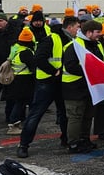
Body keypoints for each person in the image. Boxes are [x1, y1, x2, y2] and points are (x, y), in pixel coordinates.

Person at [16, 15, 78, 158]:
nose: (78, 30)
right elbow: (38, 58)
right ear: (69, 27)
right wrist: (53, 71)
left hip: (61, 82)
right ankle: (23, 145)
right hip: (47, 82)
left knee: (64, 113)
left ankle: (66, 139)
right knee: (36, 114)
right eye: (77, 27)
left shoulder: (71, 40)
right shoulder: (51, 39)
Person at [60, 19, 104, 153]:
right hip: (74, 88)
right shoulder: (73, 46)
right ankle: (73, 144)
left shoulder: (95, 44)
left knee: (87, 116)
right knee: (75, 117)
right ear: (89, 32)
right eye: (97, 32)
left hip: (90, 88)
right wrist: (90, 71)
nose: (99, 35)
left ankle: (84, 140)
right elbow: (71, 66)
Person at [4, 27, 38, 134]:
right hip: (24, 81)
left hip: (16, 79)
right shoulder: (26, 52)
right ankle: (13, 125)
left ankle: (14, 123)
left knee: (18, 103)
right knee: (20, 103)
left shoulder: (15, 49)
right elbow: (33, 67)